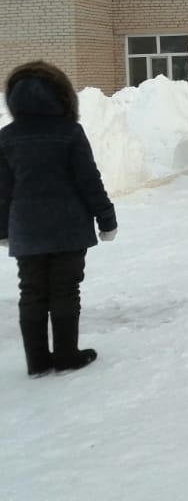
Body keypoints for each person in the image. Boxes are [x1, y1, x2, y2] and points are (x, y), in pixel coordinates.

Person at [0, 61, 118, 377]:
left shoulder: (6, 137)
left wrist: (2, 228)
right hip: (69, 227)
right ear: (62, 96)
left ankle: (37, 361)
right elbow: (88, 180)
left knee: (31, 291)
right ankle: (67, 356)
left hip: (26, 229)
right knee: (65, 289)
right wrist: (106, 219)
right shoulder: (70, 133)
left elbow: (2, 189)